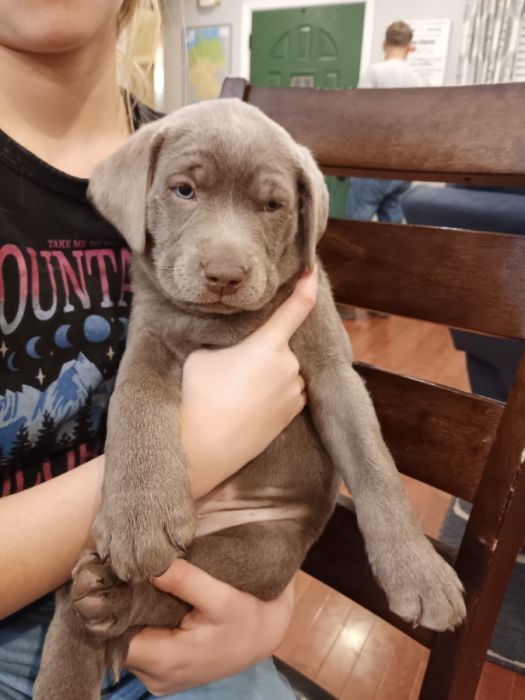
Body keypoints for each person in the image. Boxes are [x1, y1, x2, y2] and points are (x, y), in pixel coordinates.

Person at [0, 1, 318, 697]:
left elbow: (299, 438)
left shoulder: (216, 154)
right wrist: (188, 451)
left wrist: (266, 607)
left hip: (189, 596)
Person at [346, 21, 424, 224]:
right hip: (403, 167)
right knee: (392, 230)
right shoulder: (419, 79)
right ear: (409, 47)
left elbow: (359, 115)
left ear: (384, 44)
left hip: (373, 162)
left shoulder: (374, 72)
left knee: (356, 227)